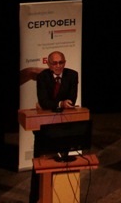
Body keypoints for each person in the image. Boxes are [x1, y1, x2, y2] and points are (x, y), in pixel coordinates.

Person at [30, 51, 79, 203]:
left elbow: (72, 99)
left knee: (62, 164)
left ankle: (61, 198)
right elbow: (43, 101)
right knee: (40, 164)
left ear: (65, 62)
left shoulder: (72, 75)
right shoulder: (42, 77)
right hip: (45, 127)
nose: (58, 66)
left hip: (63, 127)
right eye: (54, 63)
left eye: (61, 62)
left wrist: (63, 104)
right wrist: (60, 104)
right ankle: (36, 199)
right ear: (48, 64)